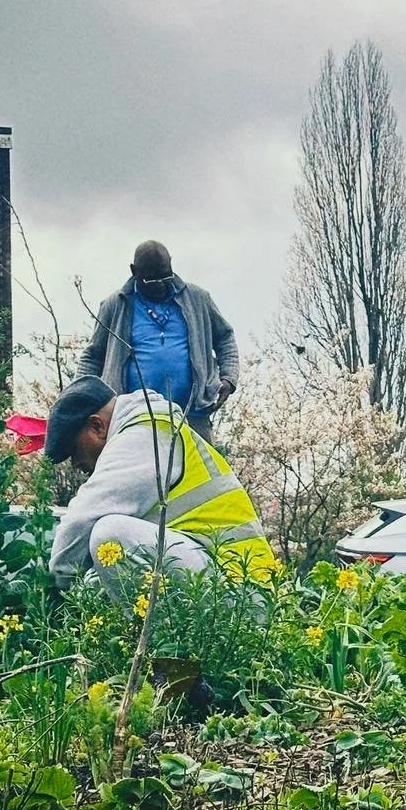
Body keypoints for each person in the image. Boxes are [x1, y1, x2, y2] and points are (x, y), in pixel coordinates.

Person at [45, 375, 276, 595]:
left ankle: (145, 637)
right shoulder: (153, 427)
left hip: (239, 588)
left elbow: (81, 519)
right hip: (232, 581)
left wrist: (56, 589)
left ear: (97, 426)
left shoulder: (144, 435)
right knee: (100, 570)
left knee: (110, 535)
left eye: (74, 450)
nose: (75, 463)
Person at [77, 240, 238, 442]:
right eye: (152, 280)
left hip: (193, 415)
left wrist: (229, 379)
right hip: (132, 420)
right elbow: (93, 356)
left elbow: (225, 337)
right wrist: (78, 400)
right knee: (138, 474)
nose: (161, 284)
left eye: (166, 275)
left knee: (204, 473)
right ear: (134, 271)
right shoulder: (115, 305)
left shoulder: (198, 299)